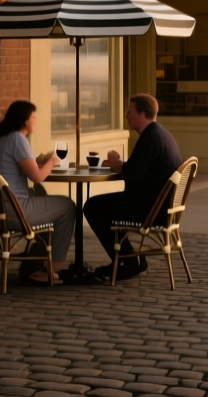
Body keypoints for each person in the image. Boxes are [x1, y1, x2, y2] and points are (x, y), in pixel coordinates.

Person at [84, 94, 183, 279]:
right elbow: (136, 169)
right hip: (163, 209)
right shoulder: (160, 134)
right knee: (107, 205)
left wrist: (116, 165)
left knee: (92, 206)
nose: (126, 115)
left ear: (142, 113)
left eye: (130, 111)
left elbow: (130, 174)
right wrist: (120, 165)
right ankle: (128, 259)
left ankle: (126, 261)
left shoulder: (150, 138)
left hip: (150, 211)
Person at [0, 100, 79, 285]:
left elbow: (22, 167)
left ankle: (34, 265)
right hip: (16, 210)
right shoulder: (18, 139)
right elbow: (37, 176)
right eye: (33, 116)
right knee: (67, 206)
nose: (35, 120)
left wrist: (40, 161)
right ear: (24, 119)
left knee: (42, 196)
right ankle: (51, 268)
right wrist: (53, 160)